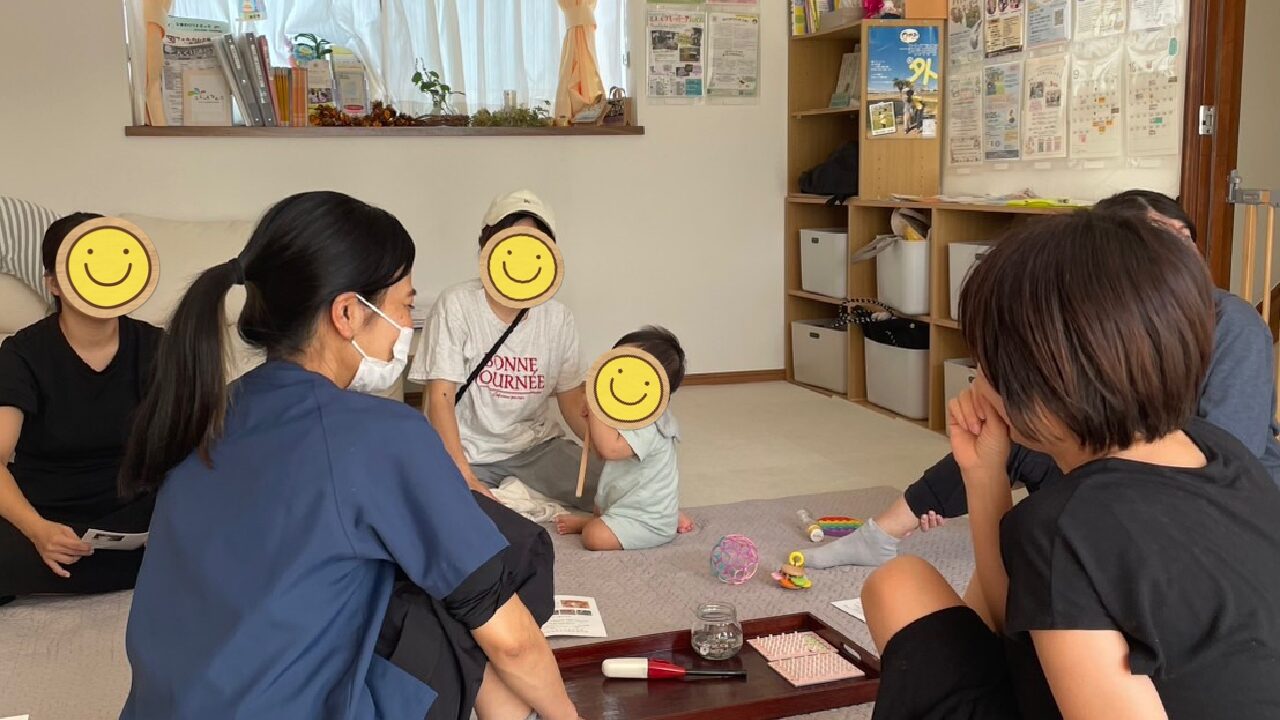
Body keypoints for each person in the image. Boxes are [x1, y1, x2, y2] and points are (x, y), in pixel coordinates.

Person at [118, 192, 579, 720]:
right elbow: (512, 643)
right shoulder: (381, 436)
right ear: (347, 313)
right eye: (405, 305)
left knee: (431, 546)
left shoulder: (208, 411)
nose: (407, 324)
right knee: (507, 551)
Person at [863, 210, 1280, 719]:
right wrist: (984, 474)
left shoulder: (1064, 525)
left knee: (899, 587)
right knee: (901, 581)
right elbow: (1019, 619)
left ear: (1036, 384)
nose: (976, 380)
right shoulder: (1219, 450)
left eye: (984, 363)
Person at [805, 189, 1280, 569]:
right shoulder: (1106, 323)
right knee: (1025, 434)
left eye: (1183, 235)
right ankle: (885, 531)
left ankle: (887, 532)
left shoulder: (1231, 322)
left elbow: (1226, 452)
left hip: (1212, 490)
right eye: (1156, 238)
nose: (1178, 250)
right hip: (1122, 466)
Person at [411, 190, 694, 531]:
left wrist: (613, 453)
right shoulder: (456, 304)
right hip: (466, 449)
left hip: (536, 448)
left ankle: (655, 513)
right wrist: (463, 473)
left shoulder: (558, 318)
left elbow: (572, 401)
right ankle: (498, 496)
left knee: (618, 486)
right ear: (488, 245)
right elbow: (440, 397)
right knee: (447, 513)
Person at [0, 212, 162, 603]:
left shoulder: (158, 346)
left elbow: (191, 447)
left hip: (133, 514)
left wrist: (170, 518)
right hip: (44, 512)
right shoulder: (21, 353)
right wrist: (38, 531)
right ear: (53, 283)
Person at [555, 327, 686, 551]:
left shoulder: (649, 424)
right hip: (622, 502)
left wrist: (596, 406)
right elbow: (598, 449)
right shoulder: (624, 414)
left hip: (647, 520)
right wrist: (594, 416)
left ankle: (662, 520)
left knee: (594, 537)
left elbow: (609, 450)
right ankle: (601, 520)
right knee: (600, 505)